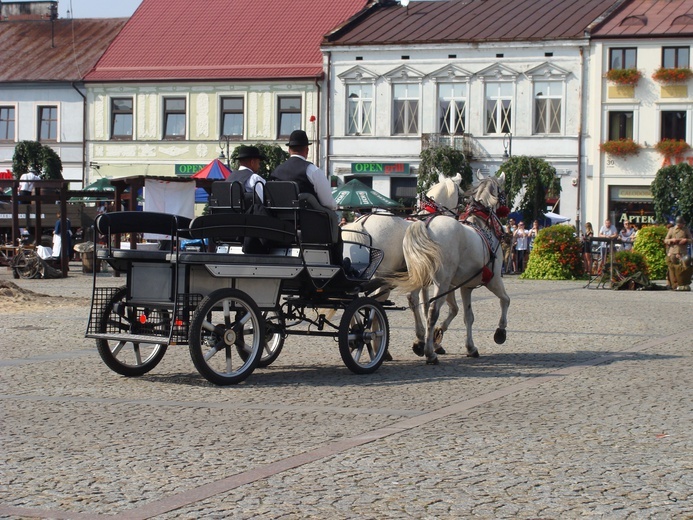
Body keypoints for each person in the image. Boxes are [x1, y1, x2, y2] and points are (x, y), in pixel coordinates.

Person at [269, 130, 337, 211]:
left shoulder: (276, 171)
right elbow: (328, 203)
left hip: (281, 220)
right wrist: (335, 206)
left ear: (289, 150)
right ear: (307, 150)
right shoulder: (312, 170)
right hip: (309, 220)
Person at [664, 216, 693, 290]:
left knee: (684, 268)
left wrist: (686, 240)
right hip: (673, 251)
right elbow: (665, 240)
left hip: (683, 252)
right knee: (671, 268)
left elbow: (691, 240)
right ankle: (673, 284)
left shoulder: (686, 229)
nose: (681, 225)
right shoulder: (672, 230)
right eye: (680, 224)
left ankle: (682, 283)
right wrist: (671, 240)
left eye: (682, 224)